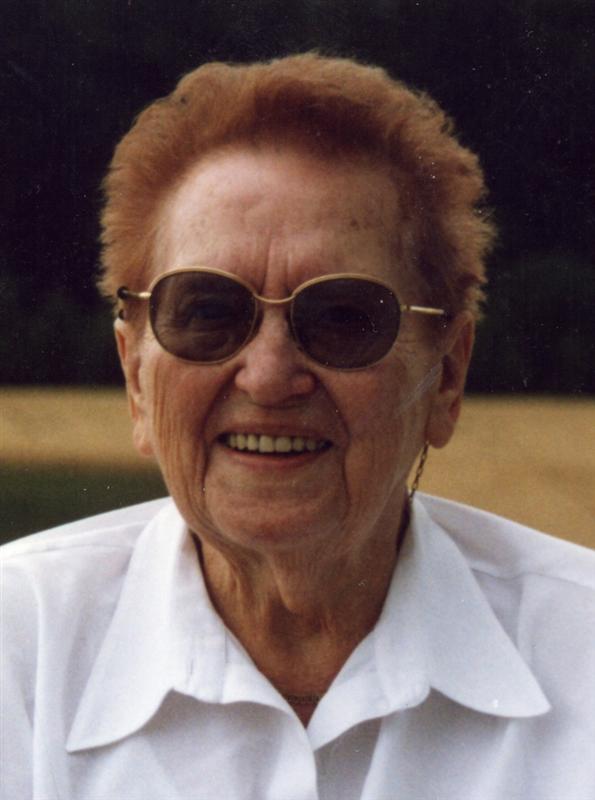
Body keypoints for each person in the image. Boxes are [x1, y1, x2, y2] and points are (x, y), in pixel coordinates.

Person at [1, 53, 594, 800]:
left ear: (446, 375)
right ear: (135, 376)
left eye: (342, 317)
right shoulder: (16, 650)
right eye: (207, 311)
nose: (268, 376)